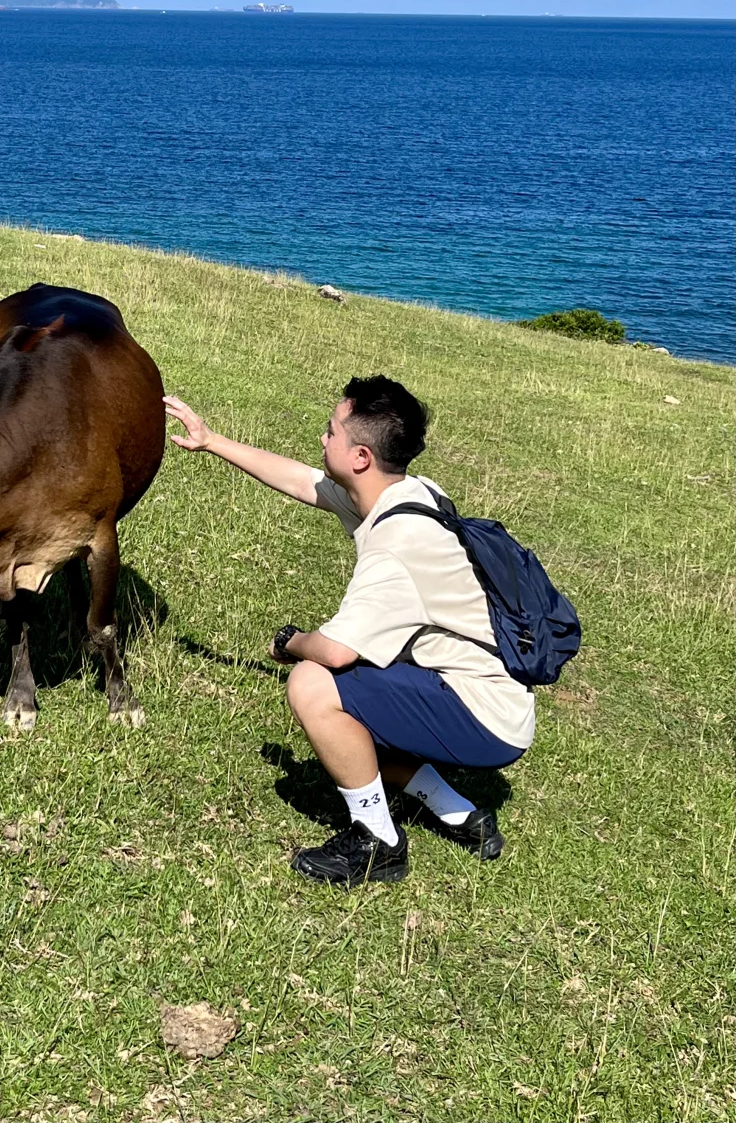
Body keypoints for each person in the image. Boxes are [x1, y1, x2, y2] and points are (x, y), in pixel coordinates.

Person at [163, 377, 533, 887]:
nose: (322, 438)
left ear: (361, 457)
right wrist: (212, 440)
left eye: (331, 430)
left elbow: (334, 652)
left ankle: (377, 843)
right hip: (492, 697)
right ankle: (462, 815)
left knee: (314, 684)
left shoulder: (395, 545)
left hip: (484, 717)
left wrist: (290, 642)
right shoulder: (411, 493)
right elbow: (304, 481)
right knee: (360, 709)